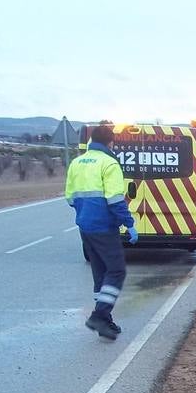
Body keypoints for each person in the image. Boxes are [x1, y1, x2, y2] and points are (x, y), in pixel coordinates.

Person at [65, 121, 136, 340]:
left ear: (91, 141)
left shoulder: (76, 163)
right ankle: (99, 315)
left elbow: (70, 197)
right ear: (110, 142)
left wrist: (85, 212)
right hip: (104, 226)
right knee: (116, 271)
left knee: (101, 273)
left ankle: (105, 321)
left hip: (85, 226)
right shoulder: (109, 163)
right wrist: (129, 223)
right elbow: (115, 200)